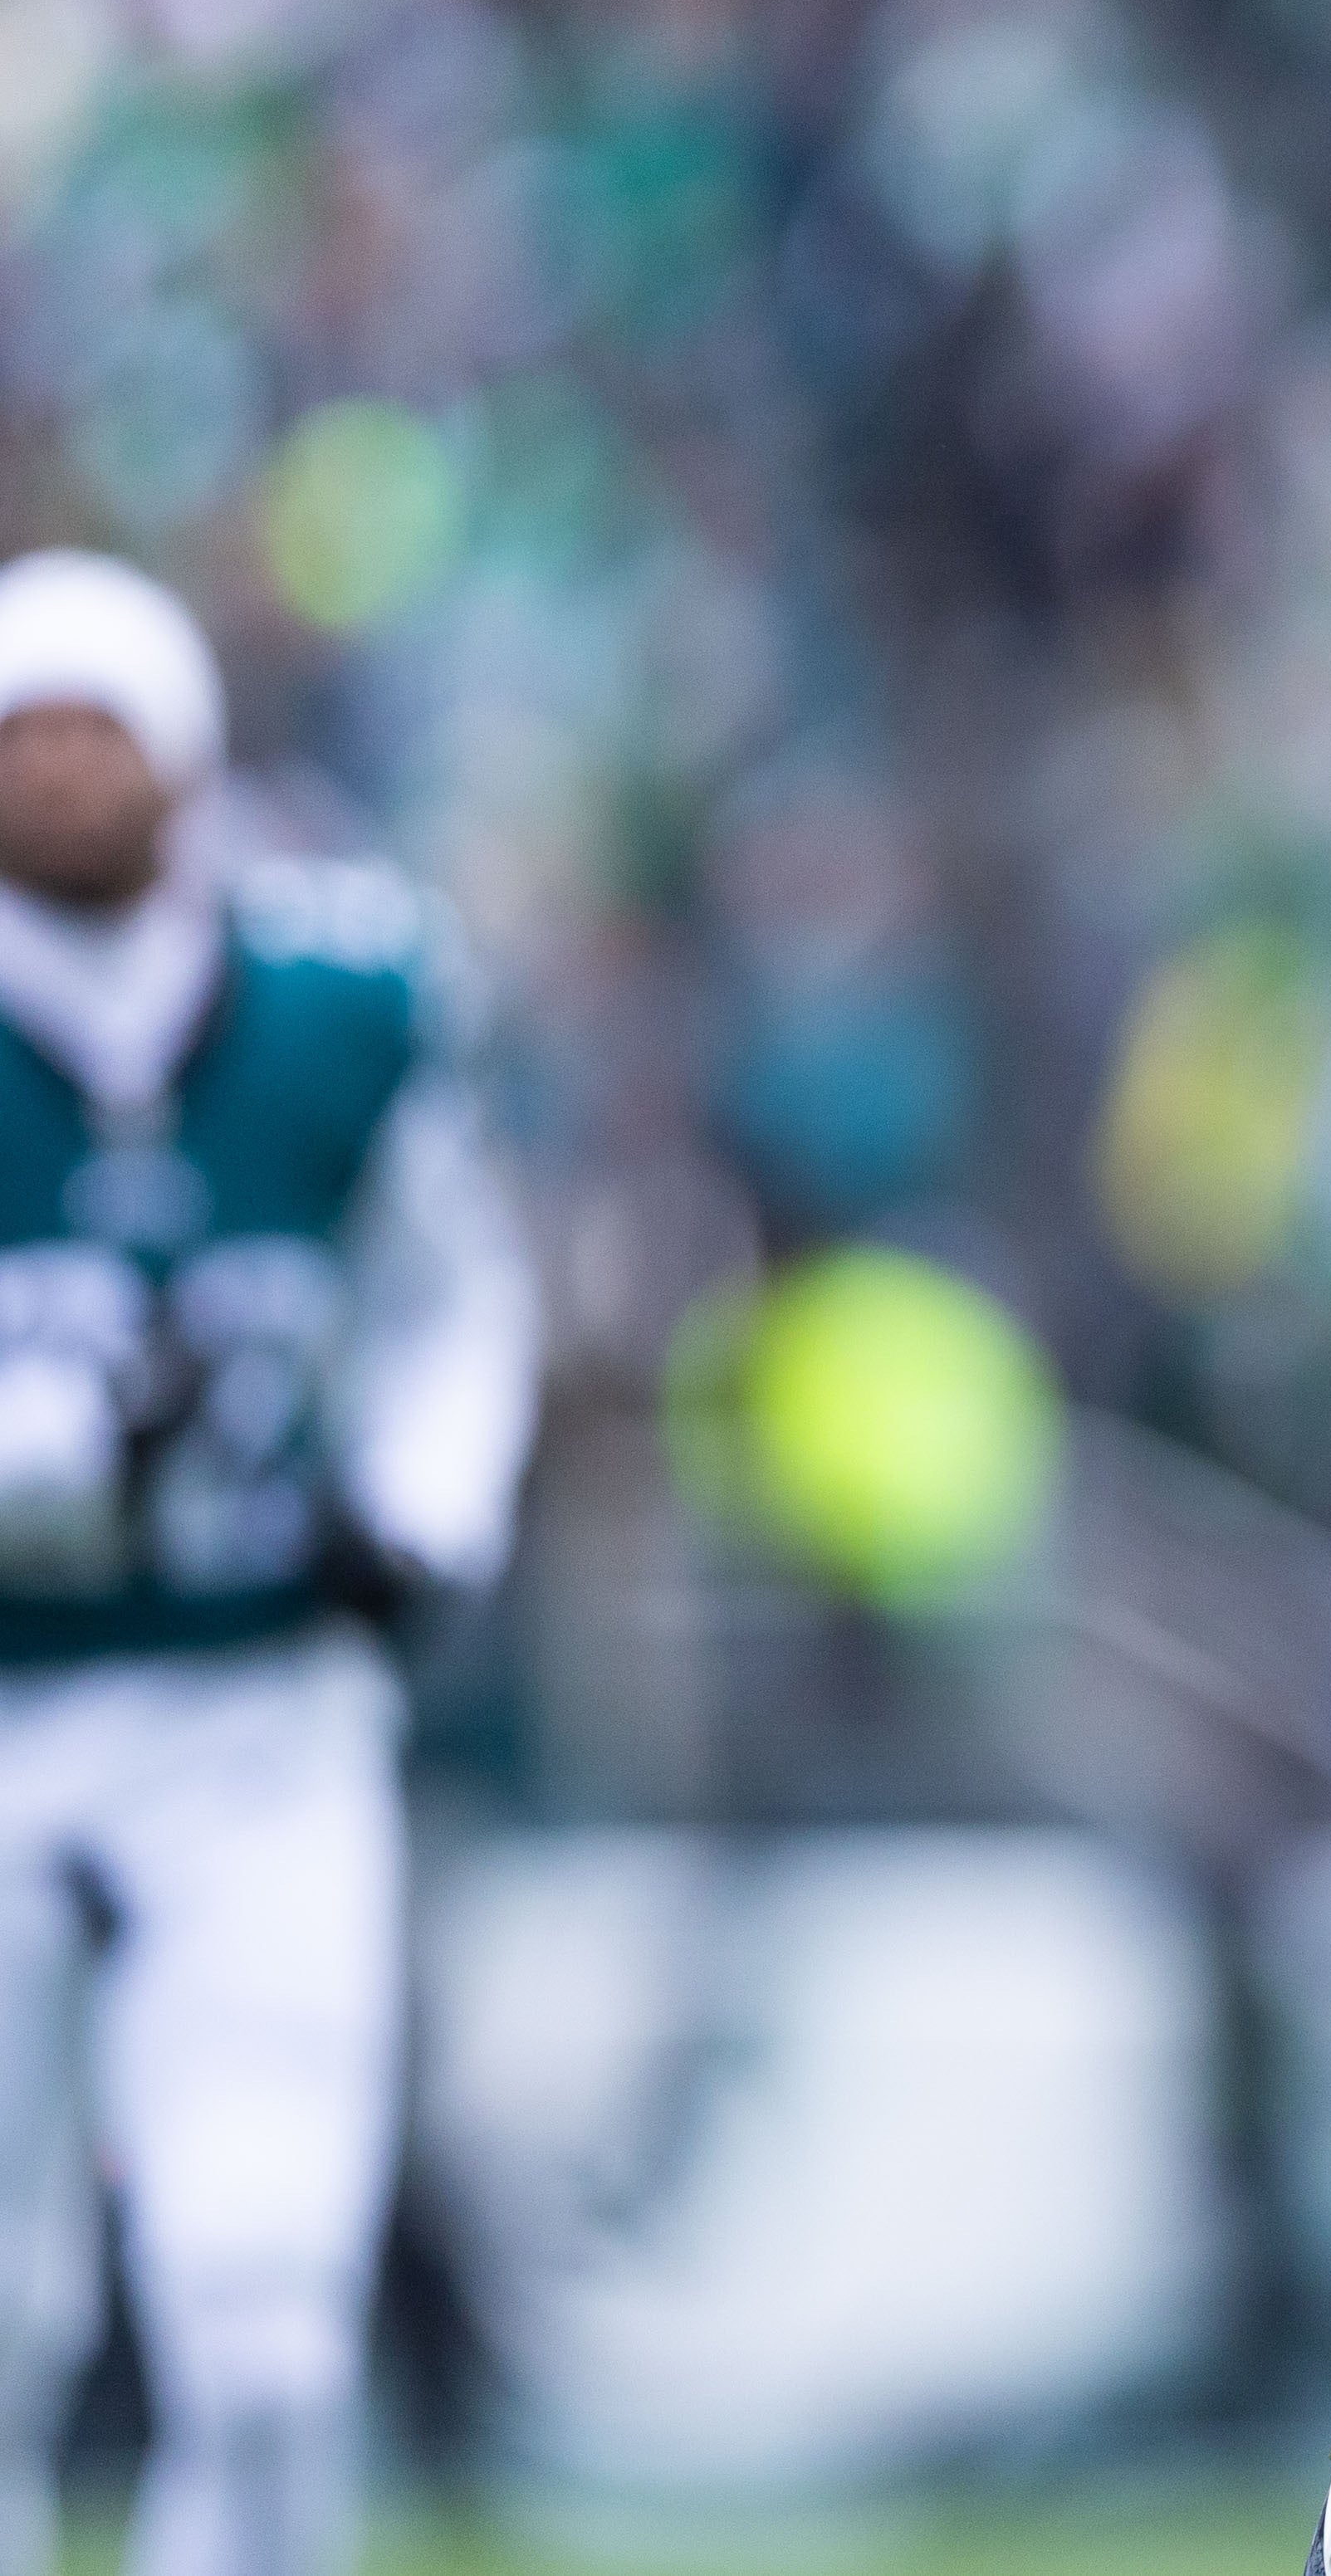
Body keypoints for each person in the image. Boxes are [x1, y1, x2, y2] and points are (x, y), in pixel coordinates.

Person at [0, 552, 539, 2576]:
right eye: (19, 731)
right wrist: (48, 1459)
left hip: (258, 1712)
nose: (56, 771)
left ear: (191, 756)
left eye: (95, 728)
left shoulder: (341, 1000)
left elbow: (451, 1311)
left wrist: (424, 1510)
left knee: (265, 2335)